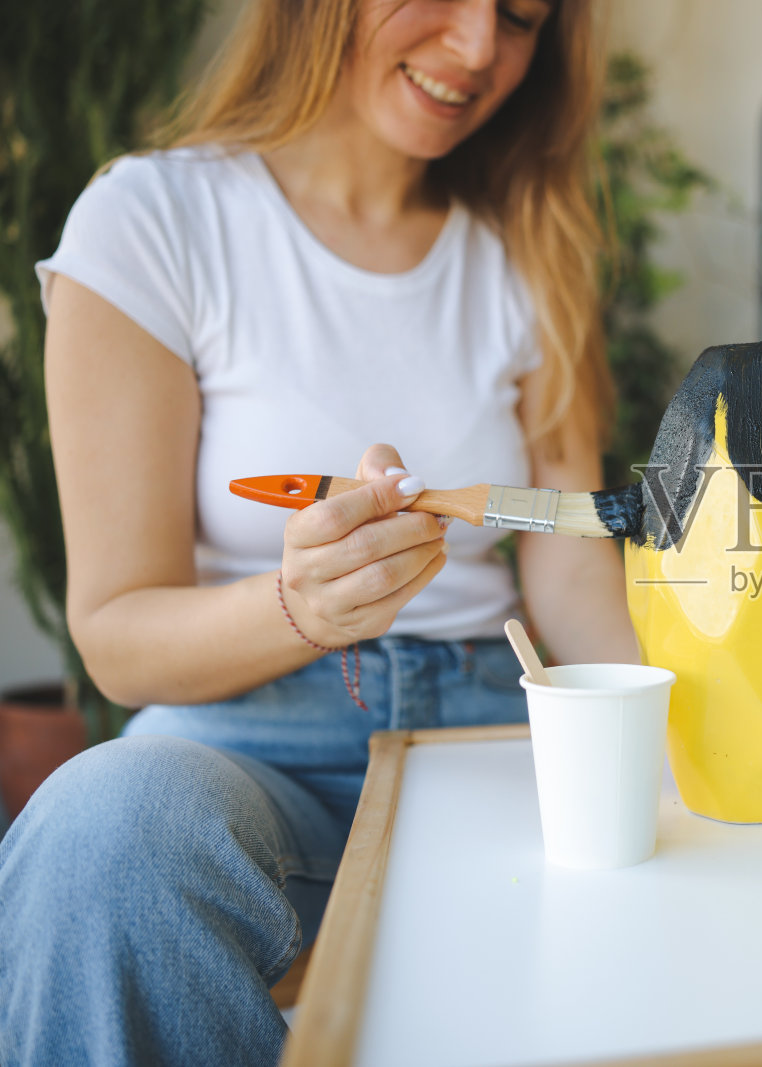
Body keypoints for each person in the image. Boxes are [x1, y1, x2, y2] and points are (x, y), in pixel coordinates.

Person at [0, 1, 638, 1063]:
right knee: (104, 834)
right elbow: (115, 635)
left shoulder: (528, 251)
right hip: (243, 739)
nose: (479, 48)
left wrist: (671, 722)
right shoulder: (153, 221)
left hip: (488, 726)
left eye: (522, 16)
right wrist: (301, 606)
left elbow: (568, 562)